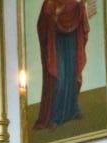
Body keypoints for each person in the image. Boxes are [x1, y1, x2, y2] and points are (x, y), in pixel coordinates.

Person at [35, 0, 91, 130]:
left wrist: (80, 7)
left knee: (72, 76)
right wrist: (54, 16)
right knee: (59, 78)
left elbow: (76, 8)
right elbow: (42, 24)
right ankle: (54, 117)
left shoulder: (73, 2)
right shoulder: (49, 3)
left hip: (71, 40)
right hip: (56, 43)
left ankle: (73, 110)